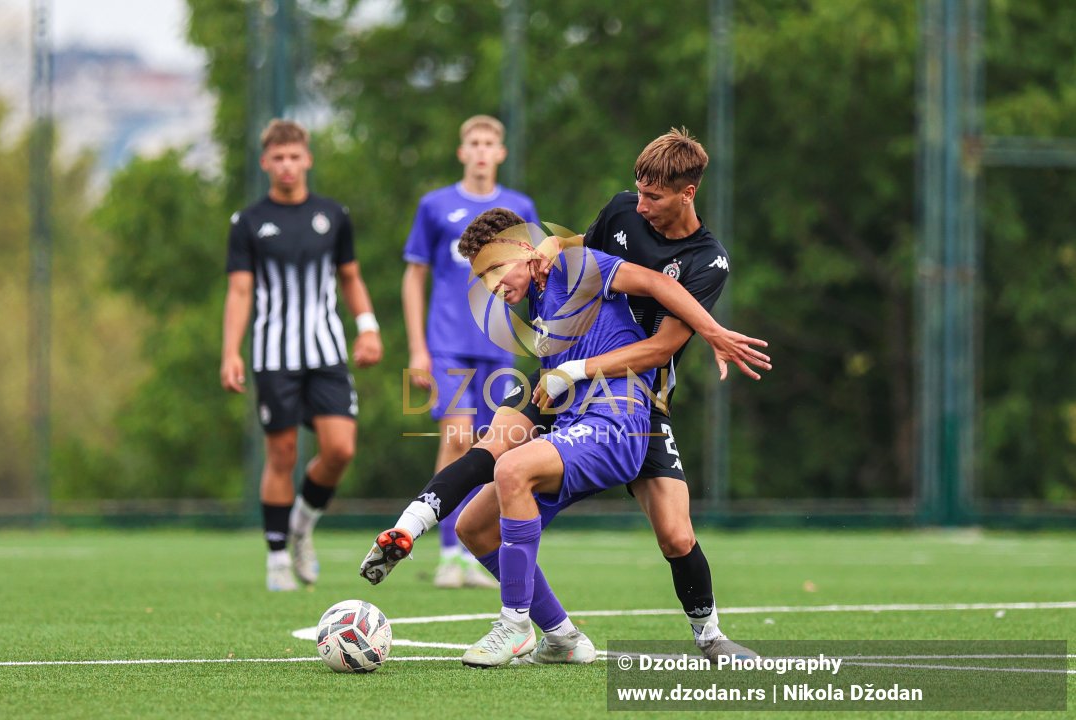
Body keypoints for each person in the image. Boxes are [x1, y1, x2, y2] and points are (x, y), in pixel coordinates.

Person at [362, 128, 768, 661]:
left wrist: (710, 331)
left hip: (632, 398)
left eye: (654, 197)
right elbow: (575, 248)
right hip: (574, 396)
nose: (640, 204)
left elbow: (660, 337)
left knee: (675, 534)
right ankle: (562, 636)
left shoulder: (704, 260)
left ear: (687, 192)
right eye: (638, 191)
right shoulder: (604, 230)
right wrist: (406, 528)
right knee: (477, 511)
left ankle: (705, 636)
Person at [221, 119, 382, 591]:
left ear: (307, 159)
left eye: (295, 157)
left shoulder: (333, 215)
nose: (287, 166)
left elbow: (350, 277)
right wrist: (230, 351)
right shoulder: (248, 222)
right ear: (265, 162)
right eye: (279, 158)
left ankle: (301, 527)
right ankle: (275, 558)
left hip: (326, 350)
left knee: (340, 449)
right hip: (274, 355)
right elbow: (239, 290)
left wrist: (367, 327)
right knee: (282, 453)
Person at [401, 115, 538, 589]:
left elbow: (533, 274)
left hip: (498, 346)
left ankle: (473, 546)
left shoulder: (519, 206)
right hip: (448, 343)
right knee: (456, 439)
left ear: (500, 153)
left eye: (489, 144)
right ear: (462, 151)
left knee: (491, 447)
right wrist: (418, 347)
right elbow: (414, 276)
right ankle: (447, 554)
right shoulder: (435, 206)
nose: (481, 151)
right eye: (474, 143)